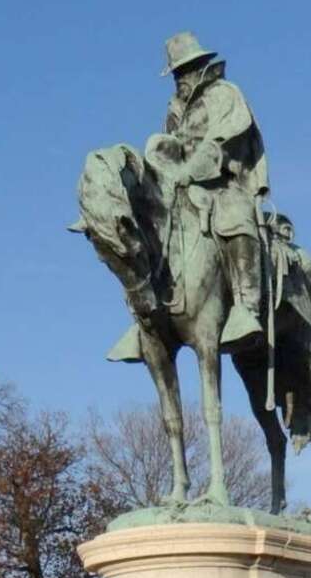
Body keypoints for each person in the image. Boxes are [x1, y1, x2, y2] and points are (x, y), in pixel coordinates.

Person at [109, 32, 270, 362]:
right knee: (148, 227)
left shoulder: (223, 93)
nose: (180, 78)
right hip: (181, 186)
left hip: (225, 181)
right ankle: (143, 318)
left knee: (235, 216)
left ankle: (246, 306)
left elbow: (224, 137)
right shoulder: (175, 108)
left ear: (199, 66)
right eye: (176, 72)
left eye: (184, 70)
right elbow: (170, 145)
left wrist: (191, 169)